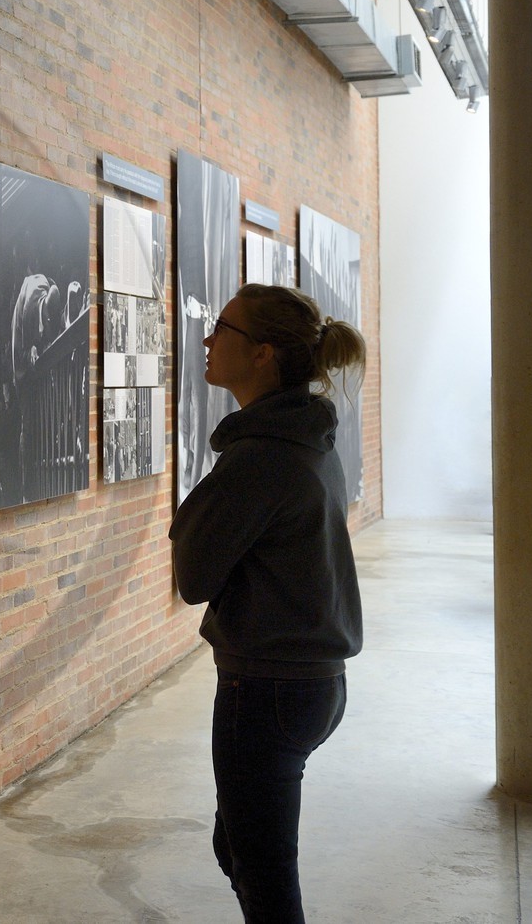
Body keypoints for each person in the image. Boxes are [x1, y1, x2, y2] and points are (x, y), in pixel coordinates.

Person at [169, 283, 367, 923]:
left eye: (220, 327)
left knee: (264, 877)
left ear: (260, 355)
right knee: (243, 848)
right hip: (310, 684)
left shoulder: (261, 457)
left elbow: (194, 574)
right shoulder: (306, 438)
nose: (206, 339)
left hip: (268, 690)